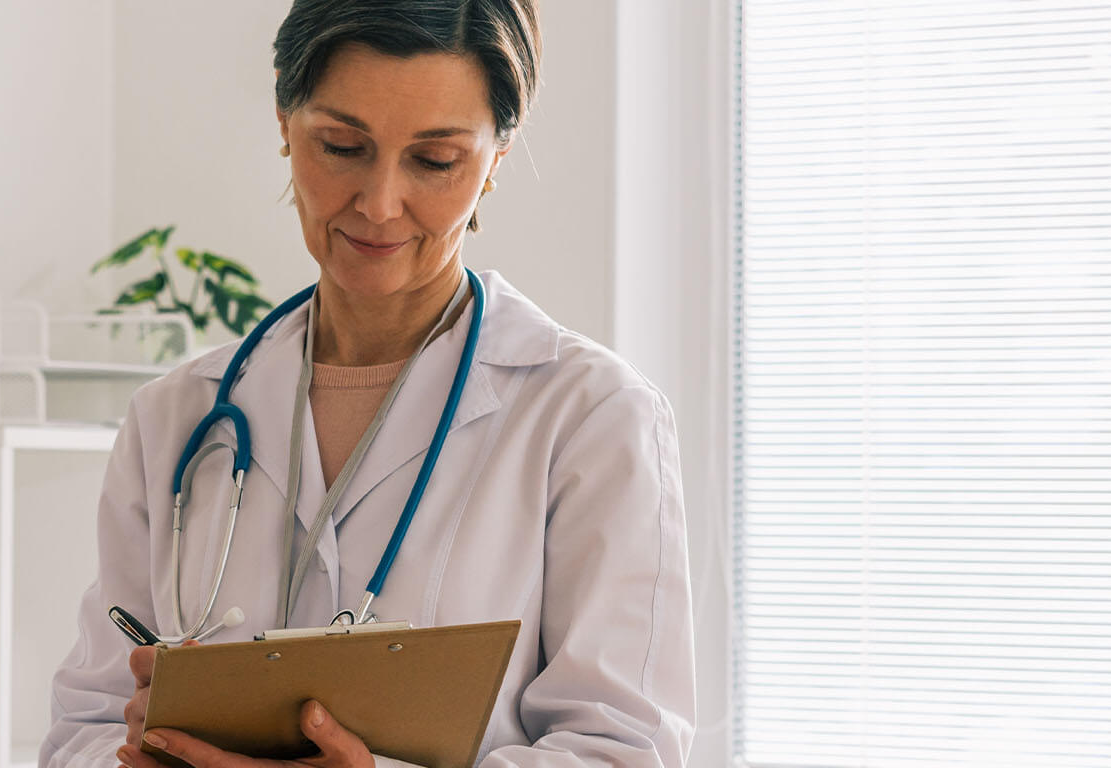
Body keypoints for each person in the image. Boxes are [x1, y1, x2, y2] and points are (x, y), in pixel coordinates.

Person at [41, 1, 695, 766]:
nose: (380, 204)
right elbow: (84, 724)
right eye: (343, 146)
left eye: (435, 161)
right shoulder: (177, 418)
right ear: (286, 124)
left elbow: (622, 748)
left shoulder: (590, 416)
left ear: (496, 159)